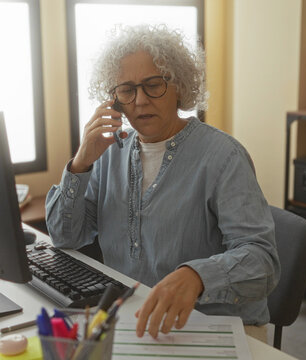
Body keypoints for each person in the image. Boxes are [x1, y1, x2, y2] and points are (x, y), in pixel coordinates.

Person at [46, 24, 279, 342]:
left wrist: (197, 276)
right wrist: (80, 164)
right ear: (114, 100)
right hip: (136, 317)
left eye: (153, 85)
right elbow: (64, 237)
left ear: (179, 86)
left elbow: (262, 260)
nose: (140, 101)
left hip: (215, 326)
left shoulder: (223, 156)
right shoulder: (109, 152)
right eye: (127, 90)